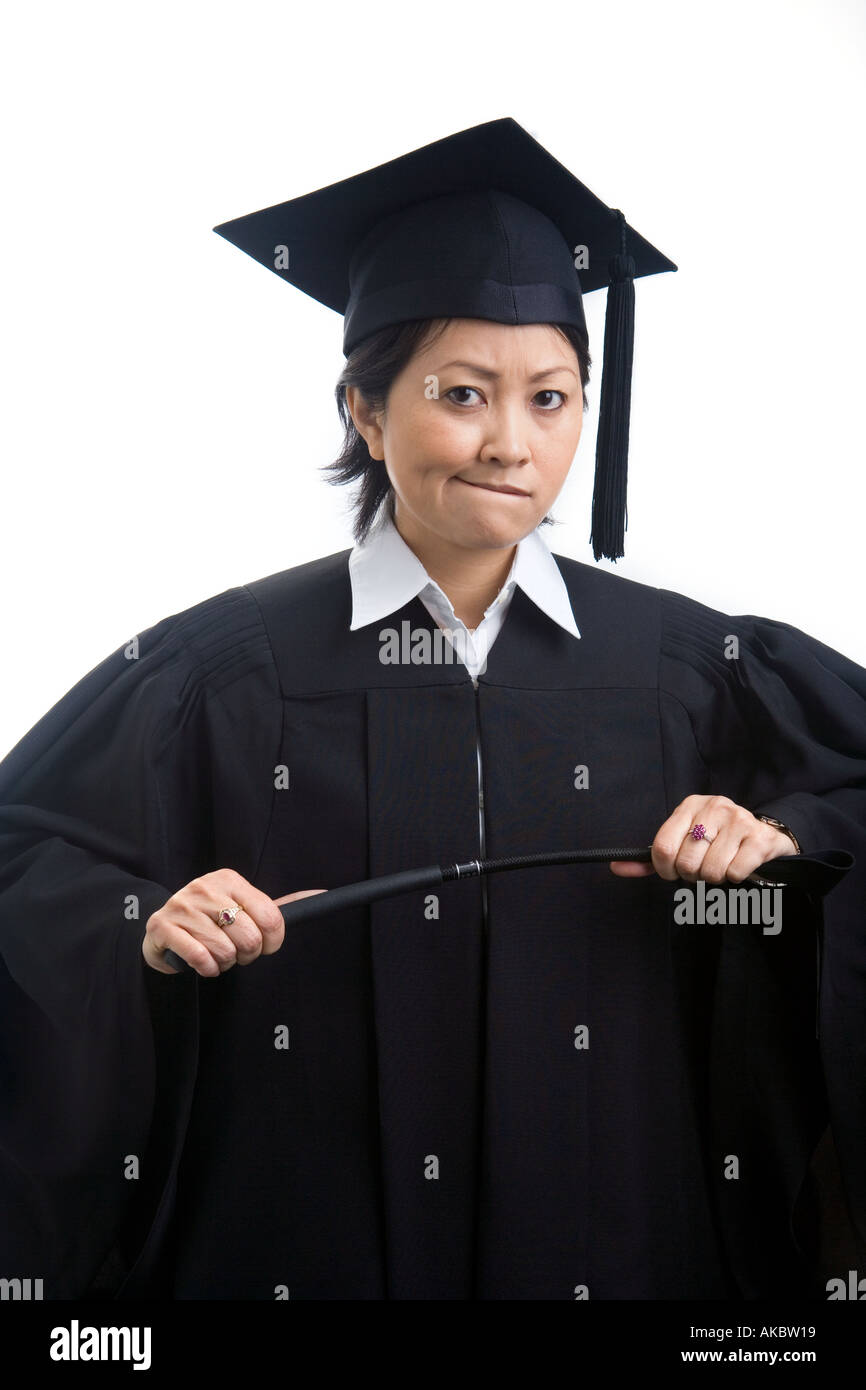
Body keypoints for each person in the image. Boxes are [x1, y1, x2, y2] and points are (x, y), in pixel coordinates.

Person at [1, 118, 864, 1302]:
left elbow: (847, 808)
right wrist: (146, 921)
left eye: (550, 398)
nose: (510, 443)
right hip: (301, 1248)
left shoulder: (691, 668)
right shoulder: (218, 672)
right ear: (363, 409)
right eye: (461, 394)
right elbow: (24, 866)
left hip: (622, 1244)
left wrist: (780, 843)